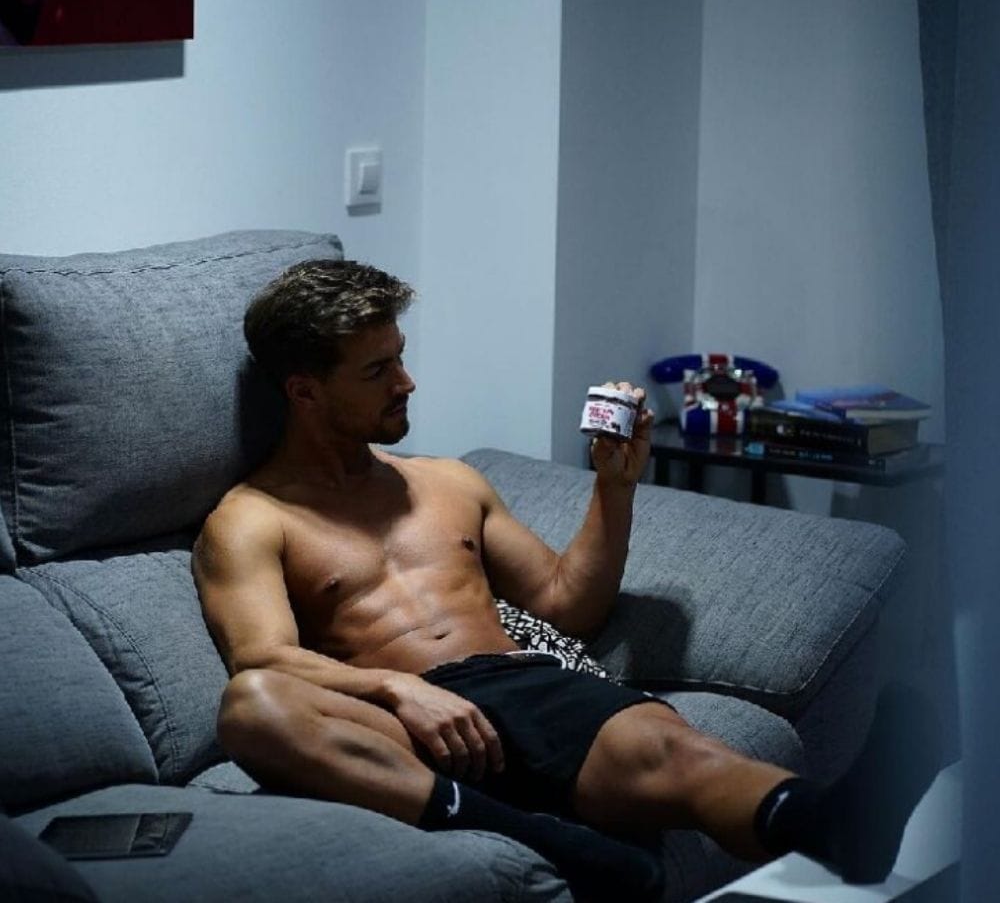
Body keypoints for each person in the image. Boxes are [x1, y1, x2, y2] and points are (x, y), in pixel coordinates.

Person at [193, 259, 940, 902]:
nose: (406, 382)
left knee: (685, 756)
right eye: (376, 370)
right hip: (398, 730)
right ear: (305, 392)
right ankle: (540, 840)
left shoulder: (449, 483)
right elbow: (264, 660)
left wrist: (614, 488)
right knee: (253, 707)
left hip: (522, 685)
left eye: (401, 358)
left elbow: (566, 605)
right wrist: (397, 689)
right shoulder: (252, 519)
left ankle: (838, 829)